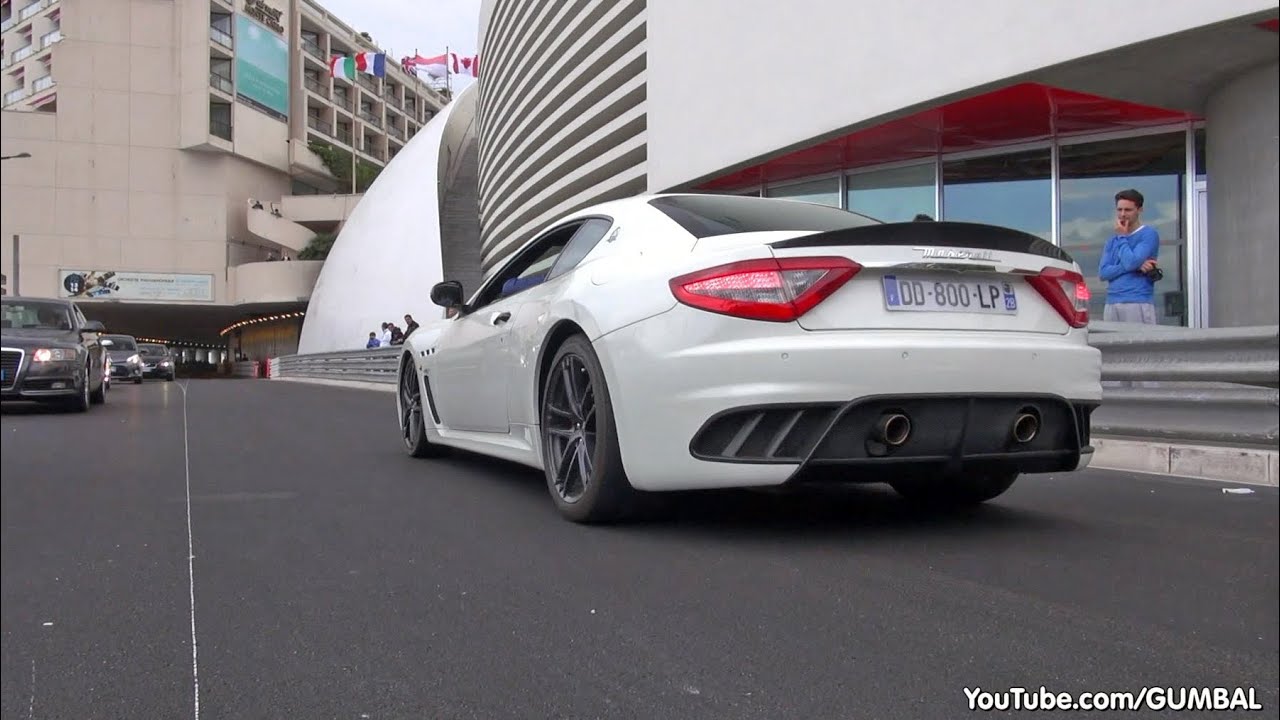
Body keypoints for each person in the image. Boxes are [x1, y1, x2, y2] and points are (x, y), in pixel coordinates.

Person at [1098, 188, 1161, 325]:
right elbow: (1103, 273)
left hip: (1137, 300)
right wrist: (1137, 265)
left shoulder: (1148, 234)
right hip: (1112, 301)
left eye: (1128, 210)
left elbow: (1131, 262)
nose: (1122, 214)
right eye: (1119, 210)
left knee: (1140, 345)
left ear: (1139, 210)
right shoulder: (1112, 241)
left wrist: (1122, 237)